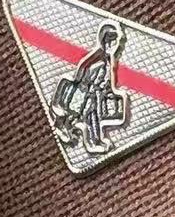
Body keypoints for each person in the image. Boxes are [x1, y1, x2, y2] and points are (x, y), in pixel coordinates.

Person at [51, 23, 129, 156]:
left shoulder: (109, 60)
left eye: (115, 41)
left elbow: (107, 81)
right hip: (87, 93)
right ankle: (84, 139)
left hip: (96, 96)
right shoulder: (98, 59)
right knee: (84, 117)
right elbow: (81, 74)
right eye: (110, 40)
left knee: (94, 118)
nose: (112, 45)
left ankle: (96, 141)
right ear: (103, 40)